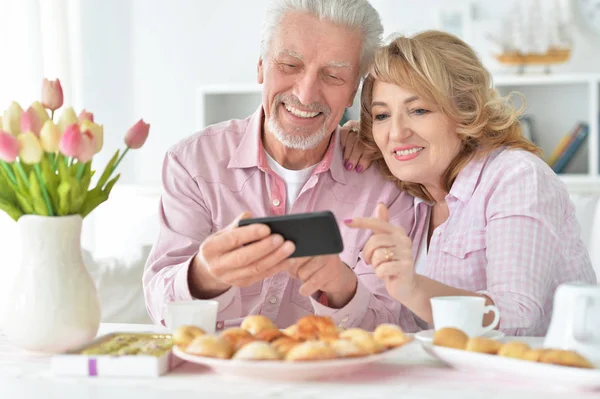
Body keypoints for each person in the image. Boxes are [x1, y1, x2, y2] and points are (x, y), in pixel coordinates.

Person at [142, 0, 416, 331]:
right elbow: (158, 304)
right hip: (217, 375)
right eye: (288, 65)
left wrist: (342, 288)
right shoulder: (193, 163)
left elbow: (392, 327)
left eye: (332, 75)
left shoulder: (386, 183)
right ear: (260, 66)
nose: (305, 93)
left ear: (352, 92)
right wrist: (203, 273)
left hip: (333, 378)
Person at [343, 30, 597, 336]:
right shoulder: (407, 193)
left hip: (538, 376)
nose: (395, 133)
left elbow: (518, 319)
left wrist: (413, 288)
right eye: (382, 115)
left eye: (419, 110)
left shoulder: (516, 177)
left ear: (465, 111)